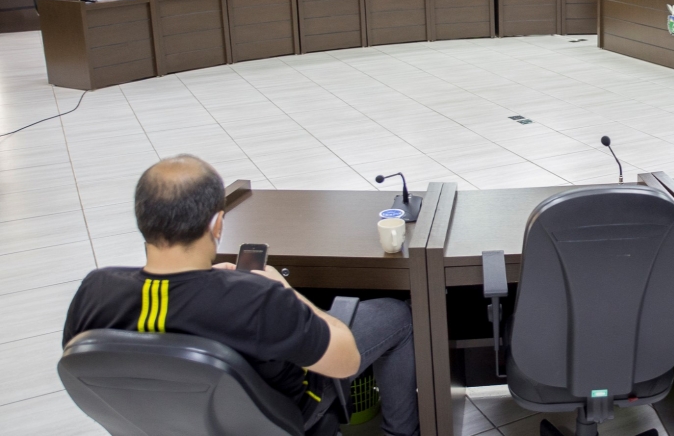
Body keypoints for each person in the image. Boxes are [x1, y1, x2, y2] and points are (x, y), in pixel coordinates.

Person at [63, 156, 420, 436]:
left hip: (166, 424)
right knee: (397, 316)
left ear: (142, 220)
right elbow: (346, 361)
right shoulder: (257, 298)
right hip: (284, 417)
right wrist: (288, 294)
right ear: (217, 224)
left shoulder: (94, 291)